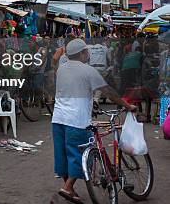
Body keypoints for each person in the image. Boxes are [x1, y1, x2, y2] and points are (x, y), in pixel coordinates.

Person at [52, 38, 136, 204]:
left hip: (58, 119)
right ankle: (67, 188)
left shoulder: (61, 69)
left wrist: (91, 103)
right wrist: (127, 106)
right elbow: (108, 92)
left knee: (62, 156)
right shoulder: (88, 70)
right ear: (83, 53)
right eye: (86, 52)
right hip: (77, 121)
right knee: (79, 154)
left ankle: (71, 190)